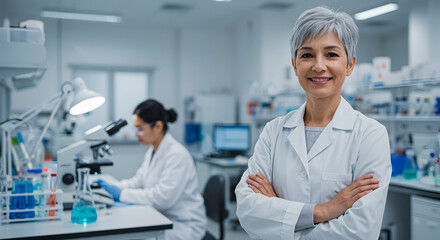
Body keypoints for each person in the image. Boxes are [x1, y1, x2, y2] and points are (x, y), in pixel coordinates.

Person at [235, 6, 391, 240]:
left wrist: (281, 217)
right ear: (295, 65)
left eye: (331, 54)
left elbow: (361, 231)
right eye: (307, 55)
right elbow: (247, 209)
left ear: (350, 65)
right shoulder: (274, 131)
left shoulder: (370, 135)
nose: (319, 65)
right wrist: (323, 211)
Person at [96, 99, 206, 240]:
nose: (136, 134)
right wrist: (111, 188)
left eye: (140, 128)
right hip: (162, 218)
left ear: (158, 126)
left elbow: (163, 198)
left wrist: (121, 194)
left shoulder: (177, 155)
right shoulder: (153, 151)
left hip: (183, 225)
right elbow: (139, 180)